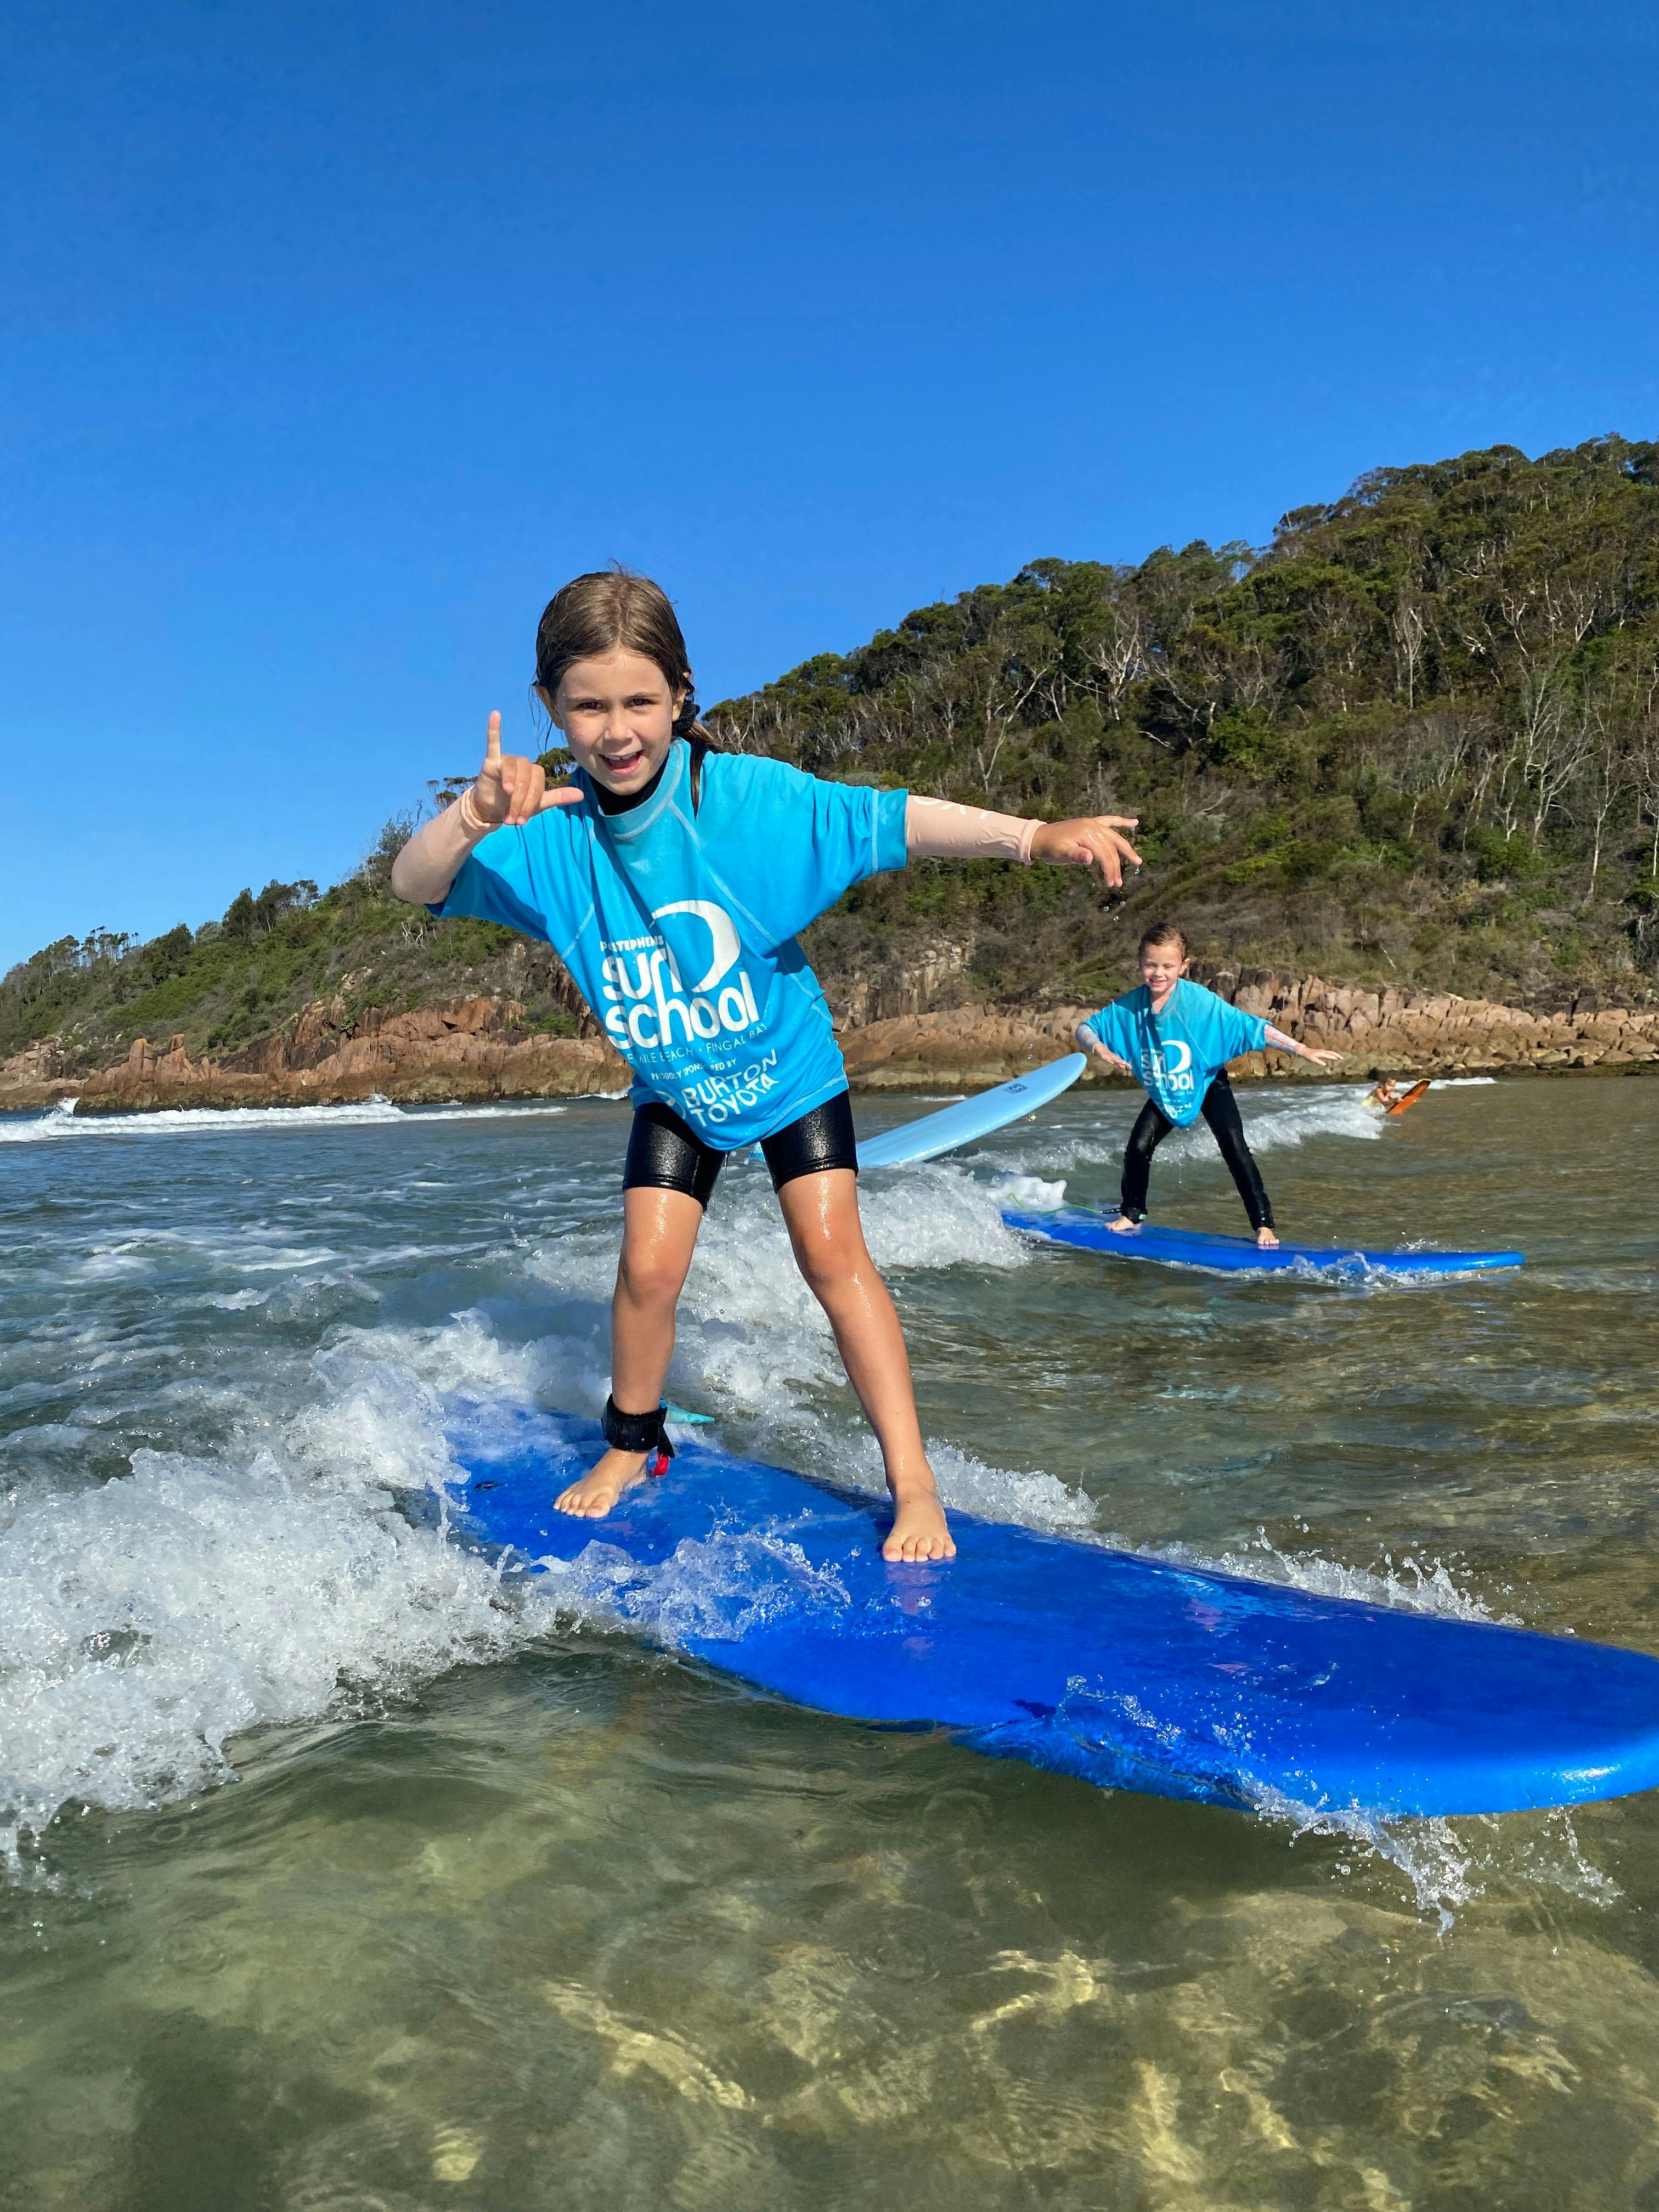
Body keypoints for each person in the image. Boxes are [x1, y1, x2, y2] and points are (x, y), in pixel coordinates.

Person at [391, 568, 1143, 1561]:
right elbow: (414, 883)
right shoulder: (551, 839)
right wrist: (474, 814)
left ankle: (914, 1482)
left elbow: (889, 820)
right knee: (646, 1269)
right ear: (549, 707)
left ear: (681, 695)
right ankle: (632, 1443)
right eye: (588, 707)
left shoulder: (748, 803)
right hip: (676, 1087)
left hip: (789, 1073)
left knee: (832, 1259)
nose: (616, 732)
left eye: (640, 702)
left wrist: (1034, 837)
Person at [1074, 923, 1343, 1248]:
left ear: (1183, 967)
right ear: (1140, 963)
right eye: (1151, 965)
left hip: (1208, 1080)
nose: (1158, 973)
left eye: (1168, 966)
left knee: (1234, 1147)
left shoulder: (1198, 1001)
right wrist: (1100, 1049)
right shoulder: (1129, 1007)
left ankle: (1263, 1224)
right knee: (1138, 1147)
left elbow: (1249, 1027)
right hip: (1167, 1086)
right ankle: (1132, 1214)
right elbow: (1085, 1029)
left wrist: (1301, 1049)